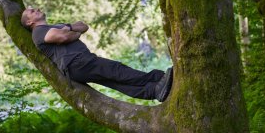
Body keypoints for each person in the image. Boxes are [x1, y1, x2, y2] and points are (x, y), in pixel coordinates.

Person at [21, 8, 173, 102]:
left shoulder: (54, 26)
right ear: (29, 22)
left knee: (115, 82)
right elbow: (64, 37)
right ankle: (158, 78)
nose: (37, 9)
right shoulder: (38, 32)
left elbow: (83, 26)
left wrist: (68, 28)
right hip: (77, 62)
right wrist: (71, 33)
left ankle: (153, 91)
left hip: (78, 66)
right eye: (32, 12)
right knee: (116, 70)